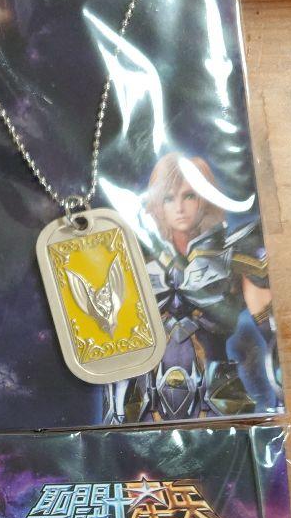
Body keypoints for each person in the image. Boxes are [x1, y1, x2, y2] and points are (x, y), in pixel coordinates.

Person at [119, 153, 280, 422]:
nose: (179, 208)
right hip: (147, 401)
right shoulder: (136, 260)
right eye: (169, 198)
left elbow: (274, 335)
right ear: (157, 204)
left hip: (218, 397)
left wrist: (282, 394)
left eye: (189, 196)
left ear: (204, 199)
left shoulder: (233, 255)